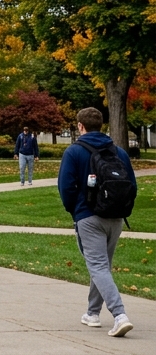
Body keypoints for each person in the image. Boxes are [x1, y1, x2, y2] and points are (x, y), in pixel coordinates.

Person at [59, 107, 137, 337]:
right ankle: (92, 313)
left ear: (80, 126)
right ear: (100, 125)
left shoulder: (74, 151)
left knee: (98, 266)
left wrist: (75, 211)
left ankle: (119, 315)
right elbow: (132, 185)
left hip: (88, 216)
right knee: (102, 266)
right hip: (116, 217)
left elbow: (65, 187)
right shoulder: (118, 152)